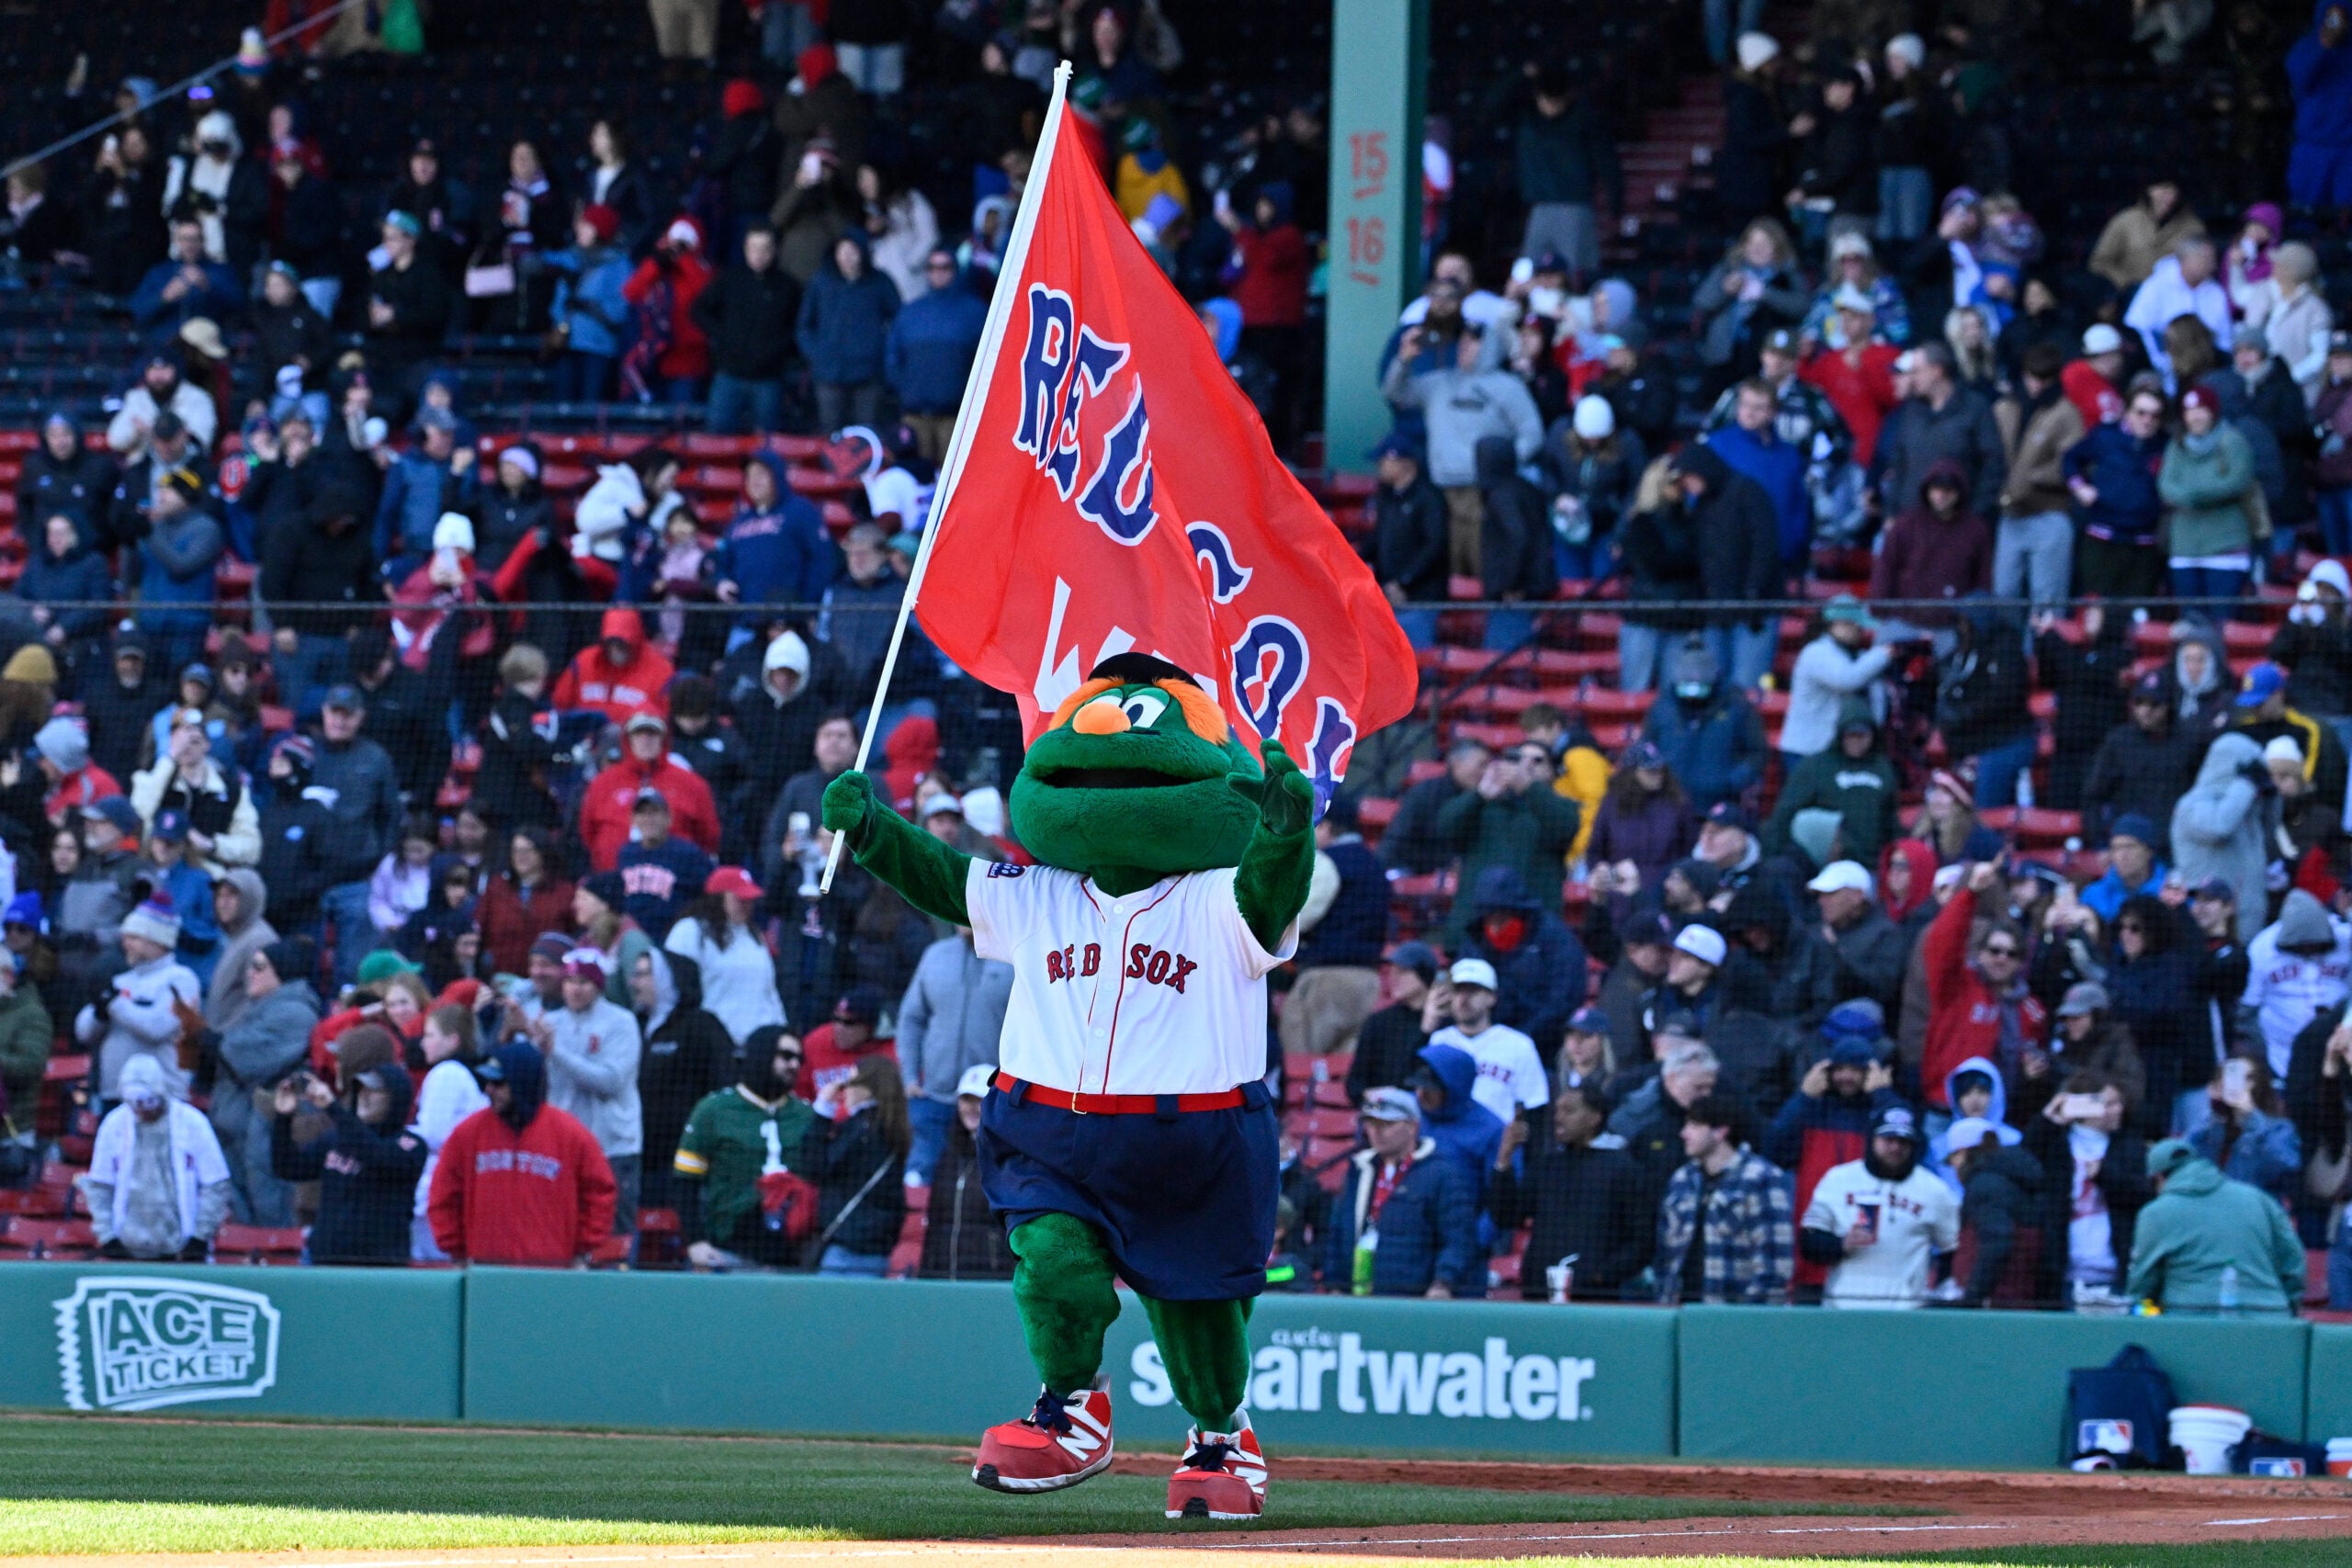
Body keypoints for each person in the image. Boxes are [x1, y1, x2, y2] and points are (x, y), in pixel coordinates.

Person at [427, 1043, 618, 1267]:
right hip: (485, 1272)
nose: (488, 1089)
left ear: (522, 1082)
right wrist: (456, 1248)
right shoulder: (467, 1135)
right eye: (487, 1082)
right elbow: (443, 1196)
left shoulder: (571, 1135)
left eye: (498, 1083)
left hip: (551, 1274)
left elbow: (600, 1194)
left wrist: (582, 1246)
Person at [674, 1025, 819, 1269]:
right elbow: (685, 1182)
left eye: (798, 1058)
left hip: (794, 1253)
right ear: (761, 1055)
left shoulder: (806, 1114)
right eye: (785, 1056)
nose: (794, 1065)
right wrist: (695, 1241)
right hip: (729, 1247)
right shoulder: (713, 1110)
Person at [1487, 1079, 1644, 1299]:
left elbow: (1640, 1241)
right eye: (1557, 1111)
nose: (1558, 1118)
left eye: (1569, 1111)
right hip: (1538, 1295)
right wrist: (1504, 1158)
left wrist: (1600, 1276)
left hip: (1595, 1303)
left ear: (1595, 1118)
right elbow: (1506, 1217)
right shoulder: (1547, 1166)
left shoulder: (1625, 1169)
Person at [526, 948, 644, 1236]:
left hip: (613, 1146)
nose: (574, 989)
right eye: (569, 982)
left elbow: (610, 1081)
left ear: (597, 985)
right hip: (564, 1146)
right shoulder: (552, 1023)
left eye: (583, 982)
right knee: (562, 1226)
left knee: (614, 1229)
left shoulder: (621, 1023)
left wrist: (555, 1052)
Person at [1323, 1087, 1482, 1298]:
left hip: (1415, 1301)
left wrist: (1443, 1283)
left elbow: (1458, 1238)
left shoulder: (1443, 1173)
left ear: (1412, 1127)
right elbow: (1337, 1231)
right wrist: (1334, 1284)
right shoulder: (1359, 1169)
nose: (1376, 1131)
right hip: (1358, 1296)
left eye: (1387, 1124)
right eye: (1371, 1123)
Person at [1796, 1106, 1958, 1309]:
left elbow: (1951, 1250)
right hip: (1843, 1308)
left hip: (1906, 1313)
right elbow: (1808, 1241)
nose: (1895, 1148)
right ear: (1872, 1139)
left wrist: (1937, 1295)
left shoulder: (1934, 1190)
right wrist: (1841, 1244)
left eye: (1903, 1142)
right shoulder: (1838, 1179)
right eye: (1888, 1140)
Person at [268, 1057, 424, 1266]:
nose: (364, 1096)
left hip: (379, 1270)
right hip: (324, 1261)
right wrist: (284, 1119)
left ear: (395, 1099)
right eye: (361, 1089)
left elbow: (379, 1157)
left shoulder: (410, 1144)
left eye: (374, 1091)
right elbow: (288, 1167)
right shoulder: (338, 1138)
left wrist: (333, 1108)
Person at [2125, 1136, 2306, 1314]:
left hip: (2189, 1322)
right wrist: (2287, 1307)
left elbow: (2143, 1282)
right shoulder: (2258, 1198)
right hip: (2270, 1317)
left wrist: (2142, 1313)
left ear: (2158, 1177)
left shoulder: (2155, 1213)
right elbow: (2293, 1259)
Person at [894, 920, 1013, 1186]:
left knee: (982, 1188)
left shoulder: (1015, 957)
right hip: (934, 1097)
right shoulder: (936, 955)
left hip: (988, 1102)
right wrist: (910, 1078)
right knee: (918, 1182)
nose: (964, 916)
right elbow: (911, 1019)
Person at [1921, 863, 2047, 1112]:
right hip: (1946, 1109)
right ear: (1980, 953)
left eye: (2011, 954)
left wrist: (2032, 1072)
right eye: (1994, 950)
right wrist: (1969, 894)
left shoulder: (2032, 1011)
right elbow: (1943, 944)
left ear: (2020, 963)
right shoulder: (1957, 985)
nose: (2001, 958)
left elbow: (2031, 1064)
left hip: (2000, 1116)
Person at [85, 1054, 231, 1261]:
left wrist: (199, 1237)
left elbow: (216, 1184)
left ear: (161, 1092)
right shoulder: (113, 1124)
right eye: (135, 1105)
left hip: (183, 1248)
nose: (143, 1111)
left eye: (148, 1102)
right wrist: (108, 1237)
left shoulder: (193, 1123)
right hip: (128, 1248)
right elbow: (100, 1186)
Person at [1653, 1091, 1792, 1304]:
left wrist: (1745, 1317)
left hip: (1733, 1318)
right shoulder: (1682, 1179)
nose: (1684, 1133)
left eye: (1694, 1125)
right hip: (1678, 1311)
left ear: (1720, 1131)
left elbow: (1776, 1262)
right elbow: (1665, 1254)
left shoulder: (1761, 1178)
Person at [74, 893, 202, 1103]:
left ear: (157, 941)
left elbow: (157, 1026)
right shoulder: (121, 981)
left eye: (134, 937)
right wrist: (99, 1013)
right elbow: (83, 1033)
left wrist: (114, 1003)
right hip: (116, 1094)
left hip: (162, 1097)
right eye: (125, 937)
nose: (125, 944)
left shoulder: (181, 979)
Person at [801, 1052, 910, 1275]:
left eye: (849, 1082)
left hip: (848, 1248)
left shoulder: (861, 1129)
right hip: (878, 1247)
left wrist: (823, 1110)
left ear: (868, 1086)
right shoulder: (893, 1130)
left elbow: (814, 1166)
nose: (844, 1090)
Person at [693, 227, 801, 434]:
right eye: (754, 248)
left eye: (765, 249)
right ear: (745, 249)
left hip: (768, 377)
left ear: (775, 250)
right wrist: (723, 336)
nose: (759, 255)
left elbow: (799, 326)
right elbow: (698, 310)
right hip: (729, 373)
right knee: (717, 435)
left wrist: (780, 349)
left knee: (767, 441)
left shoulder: (788, 286)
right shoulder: (729, 279)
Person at [663, 868, 786, 1048]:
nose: (747, 905)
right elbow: (677, 993)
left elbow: (769, 993)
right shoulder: (689, 931)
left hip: (760, 1047)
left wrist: (782, 1032)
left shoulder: (754, 936)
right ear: (717, 898)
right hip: (713, 1047)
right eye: (740, 899)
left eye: (750, 900)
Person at [1424, 956, 1550, 1127]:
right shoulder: (1439, 1041)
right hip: (1450, 1140)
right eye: (1458, 990)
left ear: (1492, 997)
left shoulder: (1519, 1044)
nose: (1464, 998)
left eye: (1473, 991)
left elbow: (1533, 1105)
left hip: (1500, 1142)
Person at [2171, 732, 2272, 943]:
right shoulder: (2192, 804)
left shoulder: (2243, 805)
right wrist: (2245, 783)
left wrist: (2271, 794)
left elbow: (2272, 829)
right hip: (2209, 921)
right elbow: (2219, 827)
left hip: (2247, 916)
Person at [922, 1062, 1015, 1280]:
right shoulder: (948, 1155)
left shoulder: (1010, 1159)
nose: (971, 1108)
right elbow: (935, 1221)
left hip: (990, 1280)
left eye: (979, 1101)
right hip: (943, 1277)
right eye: (966, 1099)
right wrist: (925, 1272)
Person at [1367, 434, 1448, 649]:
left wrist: (1404, 581)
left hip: (1419, 597)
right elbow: (1378, 539)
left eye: (1384, 460)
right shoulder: (1387, 496)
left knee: (1416, 661)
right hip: (1388, 596)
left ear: (1403, 462)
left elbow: (1434, 546)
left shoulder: (1429, 497)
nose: (1379, 466)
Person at [1344, 942, 1442, 1105]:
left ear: (1424, 975)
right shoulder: (1378, 1022)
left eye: (1403, 972)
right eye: (1392, 971)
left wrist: (1427, 1032)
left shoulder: (1444, 1022)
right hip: (1381, 1112)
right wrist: (1372, 1095)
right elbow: (1355, 1084)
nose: (1393, 978)